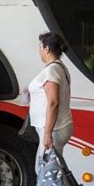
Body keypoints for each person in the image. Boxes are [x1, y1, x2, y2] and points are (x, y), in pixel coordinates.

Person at [28, 32, 73, 169]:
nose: (39, 51)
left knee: (47, 171)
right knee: (51, 170)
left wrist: (47, 134)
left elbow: (53, 102)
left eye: (40, 47)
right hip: (57, 127)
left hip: (54, 129)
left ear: (46, 48)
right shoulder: (59, 68)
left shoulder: (51, 70)